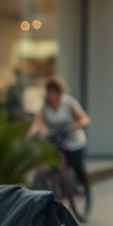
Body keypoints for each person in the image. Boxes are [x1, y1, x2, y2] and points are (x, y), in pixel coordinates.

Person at [29, 76, 92, 212]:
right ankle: (56, 186)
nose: (50, 95)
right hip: (55, 139)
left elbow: (85, 119)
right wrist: (32, 133)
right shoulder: (45, 105)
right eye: (48, 91)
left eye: (52, 91)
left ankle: (82, 186)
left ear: (58, 92)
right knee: (51, 164)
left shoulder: (68, 103)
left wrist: (75, 126)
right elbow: (38, 122)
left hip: (73, 141)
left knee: (77, 165)